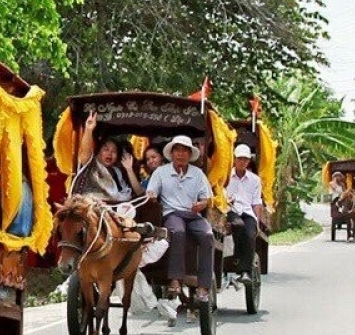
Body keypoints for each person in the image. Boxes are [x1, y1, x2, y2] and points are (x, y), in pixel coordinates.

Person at [145, 134, 214, 301]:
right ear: (172, 153)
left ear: (189, 155)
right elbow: (151, 193)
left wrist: (201, 204)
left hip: (193, 214)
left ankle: (203, 287)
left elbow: (206, 198)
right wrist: (152, 195)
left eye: (185, 151)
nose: (181, 154)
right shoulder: (161, 172)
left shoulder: (198, 174)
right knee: (178, 232)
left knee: (208, 235)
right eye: (178, 150)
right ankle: (175, 280)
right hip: (172, 214)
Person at [75, 111, 143, 203]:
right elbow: (85, 152)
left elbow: (137, 194)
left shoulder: (116, 172)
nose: (110, 153)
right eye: (106, 149)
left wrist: (129, 169)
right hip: (89, 208)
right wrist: (89, 129)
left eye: (114, 151)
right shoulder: (91, 164)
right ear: (98, 152)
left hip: (113, 209)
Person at [223, 143, 265, 273]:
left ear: (248, 161)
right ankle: (235, 257)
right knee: (237, 224)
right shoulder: (226, 176)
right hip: (229, 210)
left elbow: (256, 202)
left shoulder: (255, 180)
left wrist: (257, 222)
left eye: (245, 159)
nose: (242, 162)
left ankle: (245, 270)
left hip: (247, 212)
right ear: (234, 159)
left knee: (250, 233)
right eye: (240, 158)